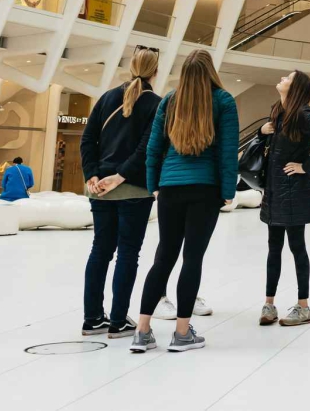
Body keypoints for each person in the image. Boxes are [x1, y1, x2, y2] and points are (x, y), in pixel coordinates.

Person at [129, 49, 238, 353]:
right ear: (210, 71)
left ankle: (143, 330)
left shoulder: (169, 100)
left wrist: (154, 186)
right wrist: (228, 190)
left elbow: (153, 148)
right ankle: (181, 334)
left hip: (170, 188)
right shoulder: (224, 101)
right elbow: (228, 153)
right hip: (205, 189)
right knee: (192, 258)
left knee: (163, 257)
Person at [81, 47, 163, 339]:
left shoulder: (107, 98)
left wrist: (93, 174)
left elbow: (88, 139)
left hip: (100, 190)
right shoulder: (156, 104)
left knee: (100, 250)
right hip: (134, 190)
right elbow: (147, 147)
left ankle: (92, 319)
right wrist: (122, 176)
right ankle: (118, 321)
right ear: (156, 71)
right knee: (128, 253)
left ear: (130, 67)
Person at [260, 70, 310, 327]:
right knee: (273, 249)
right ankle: (269, 303)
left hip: (293, 191)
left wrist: (306, 165)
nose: (282, 78)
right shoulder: (277, 111)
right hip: (273, 190)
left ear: (296, 87)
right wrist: (262, 132)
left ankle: (304, 306)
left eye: (288, 77)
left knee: (296, 248)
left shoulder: (303, 113)